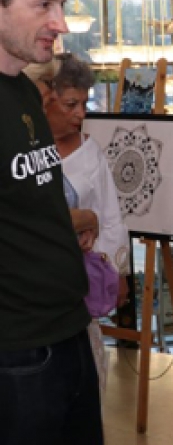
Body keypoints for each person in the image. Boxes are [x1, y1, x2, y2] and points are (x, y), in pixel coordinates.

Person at [0, 0, 105, 445]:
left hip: (68, 335)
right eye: (43, 4)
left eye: (61, 4)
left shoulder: (23, 92)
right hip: (17, 354)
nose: (59, 23)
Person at [25, 53, 130, 390]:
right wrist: (84, 218)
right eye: (70, 104)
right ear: (45, 100)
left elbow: (111, 217)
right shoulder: (22, 152)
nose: (80, 114)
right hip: (29, 290)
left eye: (83, 104)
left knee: (82, 379)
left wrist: (116, 272)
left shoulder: (90, 152)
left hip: (77, 283)